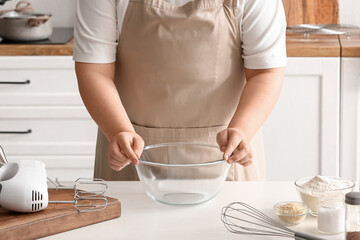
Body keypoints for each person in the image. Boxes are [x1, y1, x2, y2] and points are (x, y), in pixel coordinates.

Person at [73, 0, 287, 181]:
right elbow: (95, 72)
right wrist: (118, 131)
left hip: (228, 159)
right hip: (129, 157)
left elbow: (264, 72)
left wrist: (242, 129)